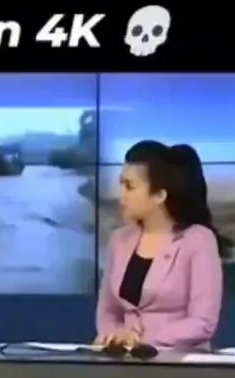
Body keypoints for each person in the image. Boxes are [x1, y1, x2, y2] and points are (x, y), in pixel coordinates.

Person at [95, 141, 226, 351]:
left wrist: (141, 339)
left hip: (180, 361)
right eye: (121, 185)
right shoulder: (120, 240)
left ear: (159, 195)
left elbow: (202, 323)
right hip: (124, 361)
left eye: (129, 187)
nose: (121, 196)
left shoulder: (198, 240)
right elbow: (108, 312)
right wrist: (114, 337)